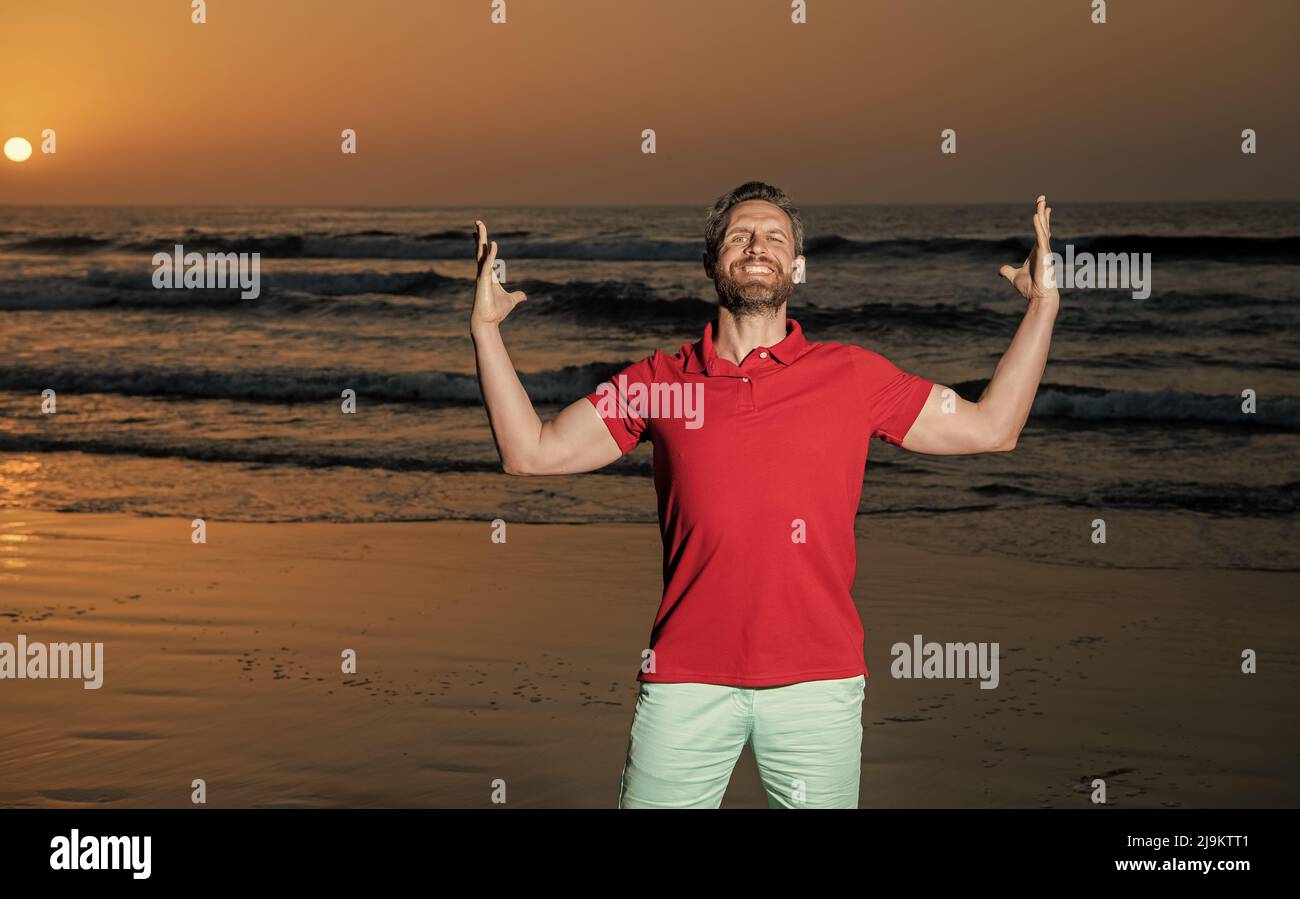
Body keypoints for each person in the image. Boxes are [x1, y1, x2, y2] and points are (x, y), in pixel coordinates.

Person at [469, 182, 1059, 808]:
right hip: (684, 680)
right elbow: (529, 452)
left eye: (776, 237)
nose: (758, 247)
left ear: (798, 267)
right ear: (711, 261)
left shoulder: (853, 376)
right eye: (740, 236)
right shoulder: (660, 383)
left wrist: (1043, 306)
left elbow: (994, 429)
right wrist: (484, 330)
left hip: (818, 682)